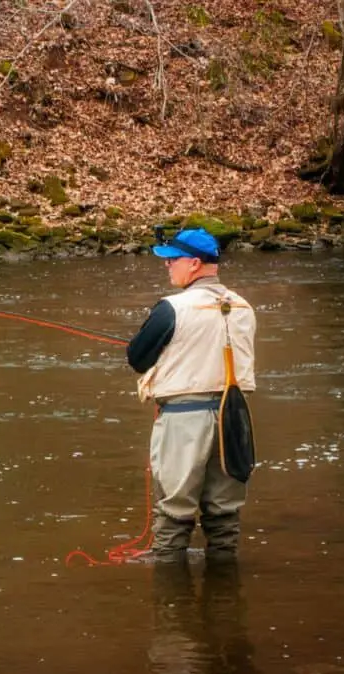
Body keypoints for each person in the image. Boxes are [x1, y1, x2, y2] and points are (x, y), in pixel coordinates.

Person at [127, 227, 256, 564]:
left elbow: (137, 358)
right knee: (225, 515)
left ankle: (171, 603)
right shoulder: (244, 306)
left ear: (195, 263)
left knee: (174, 511)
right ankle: (225, 599)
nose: (167, 266)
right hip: (234, 419)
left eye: (172, 260)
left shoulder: (172, 308)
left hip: (184, 419)